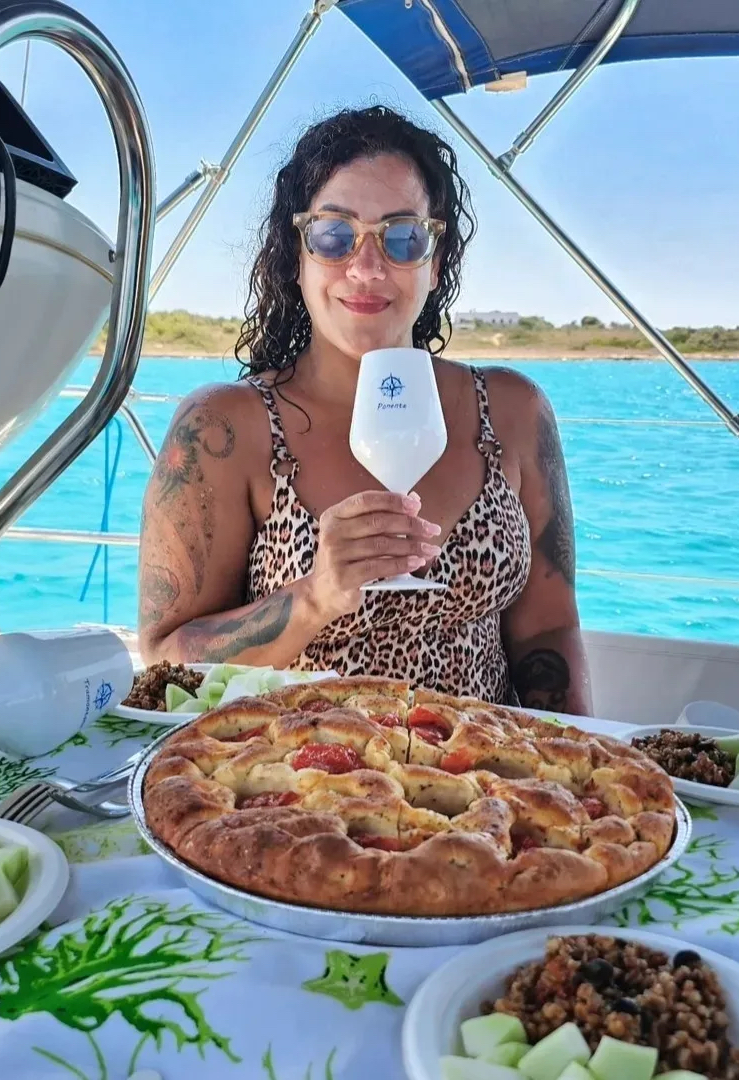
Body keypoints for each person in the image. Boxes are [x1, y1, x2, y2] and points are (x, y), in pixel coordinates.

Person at [137, 105, 591, 714]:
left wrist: (580, 761)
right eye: (334, 235)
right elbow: (165, 657)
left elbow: (549, 631)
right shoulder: (223, 428)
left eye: (403, 237)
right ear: (296, 256)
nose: (367, 268)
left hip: (484, 764)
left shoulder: (512, 411)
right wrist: (314, 597)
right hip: (292, 764)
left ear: (435, 259)